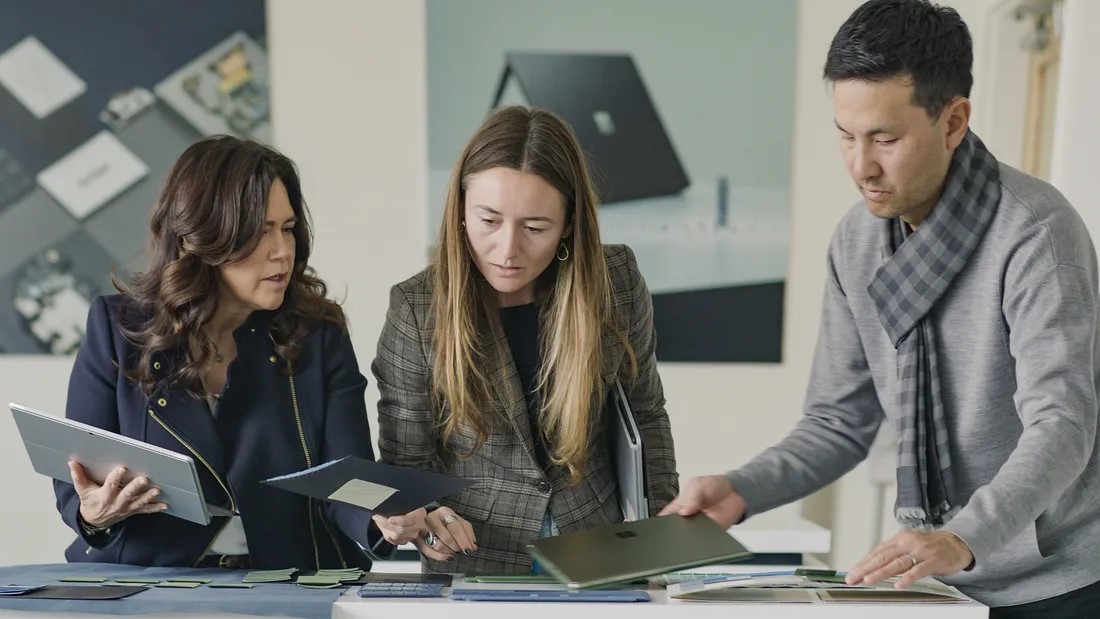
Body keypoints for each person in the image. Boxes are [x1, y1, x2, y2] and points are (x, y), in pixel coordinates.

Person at [663, 1, 1100, 615]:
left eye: (885, 140)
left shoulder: (1036, 232)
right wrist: (741, 489)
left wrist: (961, 536)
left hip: (1057, 583)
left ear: (954, 122)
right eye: (846, 136)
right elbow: (839, 421)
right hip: (938, 583)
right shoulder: (856, 240)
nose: (861, 166)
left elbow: (1063, 423)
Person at [56, 136, 389, 569]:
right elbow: (76, 485)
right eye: (260, 232)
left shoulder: (317, 333)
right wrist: (95, 514)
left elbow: (350, 478)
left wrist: (382, 519)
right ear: (201, 236)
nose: (283, 251)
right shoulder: (118, 328)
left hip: (289, 584)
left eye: (287, 229)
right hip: (149, 584)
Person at [370, 105, 678, 573]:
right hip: (477, 558)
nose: (508, 250)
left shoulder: (617, 281)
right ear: (460, 211)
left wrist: (662, 542)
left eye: (536, 228)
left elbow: (646, 417)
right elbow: (406, 462)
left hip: (599, 549)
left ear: (570, 225)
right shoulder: (416, 307)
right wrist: (428, 517)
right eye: (488, 221)